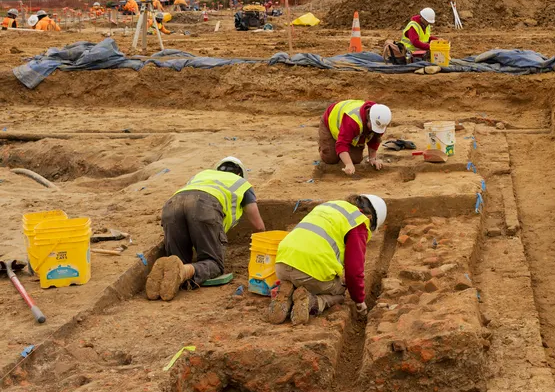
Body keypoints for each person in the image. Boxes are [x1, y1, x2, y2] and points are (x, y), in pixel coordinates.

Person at [146, 156, 266, 302]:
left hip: (172, 206)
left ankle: (165, 275)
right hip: (204, 207)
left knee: (177, 259)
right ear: (240, 173)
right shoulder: (242, 184)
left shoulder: (201, 176)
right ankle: (182, 271)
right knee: (214, 264)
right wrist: (263, 247)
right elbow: (258, 226)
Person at [268, 193, 387, 325]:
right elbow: (354, 272)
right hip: (309, 273)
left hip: (281, 265)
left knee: (300, 278)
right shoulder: (358, 222)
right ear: (370, 218)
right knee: (340, 291)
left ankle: (286, 295)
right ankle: (313, 302)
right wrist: (359, 301)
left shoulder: (328, 207)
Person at [318, 99, 392, 174]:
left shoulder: (381, 122)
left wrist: (372, 159)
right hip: (329, 122)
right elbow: (342, 144)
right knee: (330, 158)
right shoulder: (353, 121)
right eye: (373, 126)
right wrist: (348, 164)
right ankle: (324, 145)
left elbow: (374, 139)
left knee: (355, 159)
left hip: (349, 132)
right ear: (368, 117)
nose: (375, 129)